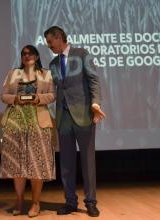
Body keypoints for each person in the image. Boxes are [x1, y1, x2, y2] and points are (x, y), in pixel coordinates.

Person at [44, 26, 106, 217]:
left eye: (50, 42)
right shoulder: (53, 63)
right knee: (66, 162)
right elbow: (54, 89)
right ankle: (70, 201)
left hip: (83, 115)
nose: (49, 46)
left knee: (88, 161)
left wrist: (95, 103)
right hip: (63, 118)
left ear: (59, 37)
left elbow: (94, 80)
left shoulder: (81, 54)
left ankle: (91, 202)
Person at [0, 45, 56, 217]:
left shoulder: (46, 74)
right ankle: (19, 201)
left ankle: (36, 203)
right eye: (23, 54)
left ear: (37, 56)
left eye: (30, 53)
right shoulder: (13, 73)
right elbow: (3, 96)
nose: (26, 56)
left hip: (38, 123)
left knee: (37, 165)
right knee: (17, 166)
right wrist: (15, 98)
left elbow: (52, 95)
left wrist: (38, 98)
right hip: (15, 124)